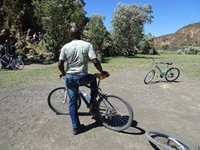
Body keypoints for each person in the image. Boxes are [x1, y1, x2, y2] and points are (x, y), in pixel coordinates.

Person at [58, 26, 109, 135]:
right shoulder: (87, 45)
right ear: (80, 34)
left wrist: (64, 73)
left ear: (70, 35)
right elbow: (95, 61)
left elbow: (60, 64)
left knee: (72, 104)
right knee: (93, 78)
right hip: (82, 77)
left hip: (70, 78)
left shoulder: (65, 47)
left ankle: (76, 128)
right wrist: (102, 71)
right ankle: (92, 103)